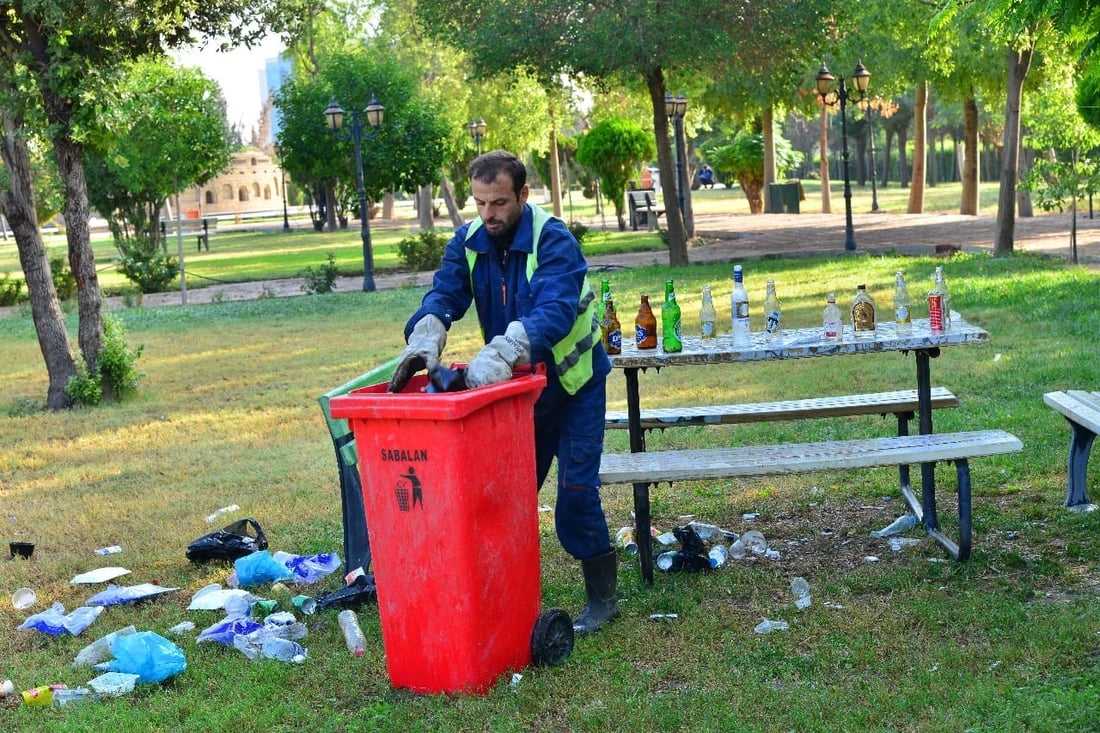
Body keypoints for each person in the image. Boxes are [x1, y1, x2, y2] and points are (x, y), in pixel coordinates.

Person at [387, 150, 618, 636]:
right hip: (522, 395)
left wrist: (502, 350)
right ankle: (505, 592)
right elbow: (445, 294)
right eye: (480, 203)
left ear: (523, 195)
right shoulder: (469, 241)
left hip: (575, 388)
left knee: (576, 497)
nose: (488, 214)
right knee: (507, 499)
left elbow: (554, 311)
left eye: (499, 203)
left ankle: (603, 601)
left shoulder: (554, 241)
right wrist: (426, 333)